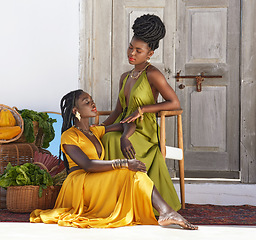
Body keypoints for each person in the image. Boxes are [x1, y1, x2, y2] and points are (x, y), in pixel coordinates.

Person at [30, 89, 197, 230]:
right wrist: (123, 163)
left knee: (134, 174)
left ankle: (166, 212)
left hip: (95, 179)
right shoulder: (69, 135)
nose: (93, 104)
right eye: (87, 102)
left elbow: (127, 123)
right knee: (128, 172)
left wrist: (125, 137)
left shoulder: (95, 131)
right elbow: (87, 165)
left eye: (92, 100)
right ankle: (166, 212)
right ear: (75, 110)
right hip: (79, 183)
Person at [101, 14, 181, 212]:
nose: (132, 53)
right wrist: (99, 128)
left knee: (111, 140)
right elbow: (118, 111)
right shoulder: (125, 77)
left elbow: (174, 103)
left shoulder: (153, 74)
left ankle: (129, 201)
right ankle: (111, 200)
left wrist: (143, 109)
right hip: (122, 126)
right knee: (104, 137)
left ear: (150, 53)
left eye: (138, 50)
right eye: (130, 47)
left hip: (143, 132)